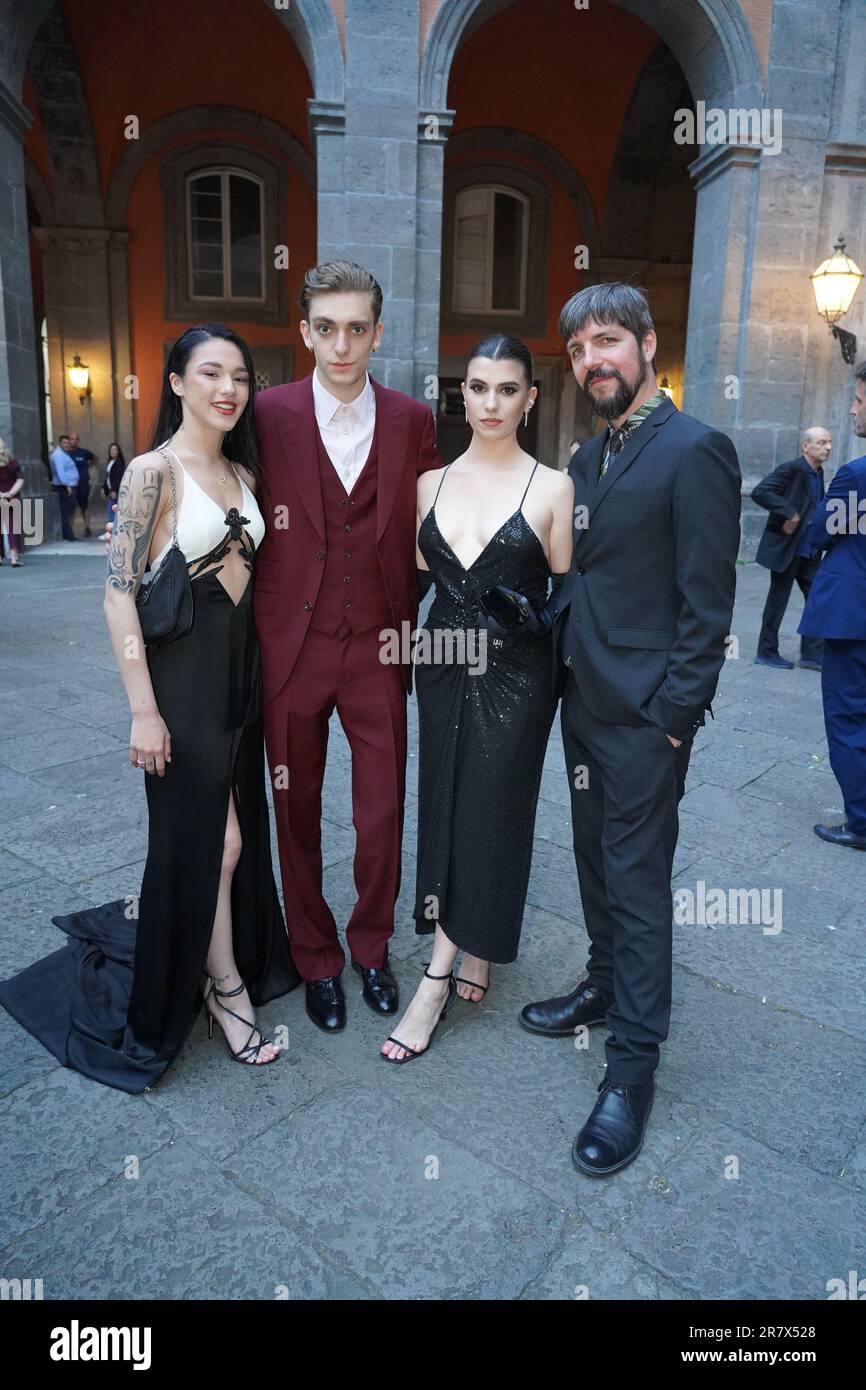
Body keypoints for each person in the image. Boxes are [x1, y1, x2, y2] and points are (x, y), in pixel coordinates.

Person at [0, 324, 300, 1091]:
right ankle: (224, 986)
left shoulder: (244, 473)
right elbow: (116, 594)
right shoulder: (152, 474)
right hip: (182, 686)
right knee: (215, 844)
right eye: (210, 373)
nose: (228, 388)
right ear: (175, 383)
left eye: (239, 376)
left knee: (228, 839)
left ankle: (211, 965)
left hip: (241, 686)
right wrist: (143, 710)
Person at [521, 283, 741, 1176]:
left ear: (647, 344)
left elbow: (707, 607)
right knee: (592, 862)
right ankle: (605, 986)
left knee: (640, 885)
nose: (591, 361)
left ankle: (632, 1071)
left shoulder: (698, 450)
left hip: (646, 721)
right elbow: (587, 574)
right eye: (578, 350)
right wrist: (537, 616)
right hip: (584, 702)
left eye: (606, 341)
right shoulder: (586, 453)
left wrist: (673, 724)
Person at [253, 261, 441, 1033]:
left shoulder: (412, 419)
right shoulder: (265, 414)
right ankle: (314, 954)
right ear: (304, 331)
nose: (341, 345)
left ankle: (371, 945)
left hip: (381, 645)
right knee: (293, 809)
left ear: (378, 333)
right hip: (289, 648)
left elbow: (435, 522)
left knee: (382, 811)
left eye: (356, 329)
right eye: (325, 328)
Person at [379, 335, 573, 1063]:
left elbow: (566, 592)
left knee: (492, 805)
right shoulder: (428, 484)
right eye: (479, 388)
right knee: (445, 798)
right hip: (440, 661)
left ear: (529, 397)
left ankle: (434, 977)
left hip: (518, 674)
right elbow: (418, 578)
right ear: (462, 394)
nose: (491, 403)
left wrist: (531, 618)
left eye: (507, 389)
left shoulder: (553, 487)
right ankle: (478, 943)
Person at [798, 363, 866, 851]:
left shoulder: (856, 475)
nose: (853, 408)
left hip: (853, 616)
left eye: (860, 401)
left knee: (847, 716)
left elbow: (819, 532)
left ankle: (861, 821)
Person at [752, 427, 831, 670]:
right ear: (806, 446)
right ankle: (766, 652)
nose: (827, 447)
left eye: (829, 443)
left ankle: (811, 655)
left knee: (818, 600)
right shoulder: (792, 469)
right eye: (821, 443)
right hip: (788, 549)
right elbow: (761, 491)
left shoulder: (819, 472)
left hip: (810, 551)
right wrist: (790, 513)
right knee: (778, 602)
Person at [49, 433, 78, 540]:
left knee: (69, 511)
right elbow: (60, 472)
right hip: (65, 487)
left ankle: (68, 533)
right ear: (60, 443)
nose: (66, 445)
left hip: (67, 486)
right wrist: (67, 485)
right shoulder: (58, 455)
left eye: (68, 443)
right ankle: (67, 534)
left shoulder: (63, 454)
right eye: (64, 443)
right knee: (66, 511)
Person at [0, 438, 24, 566]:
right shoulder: (13, 463)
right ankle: (14, 558)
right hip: (12, 499)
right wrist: (10, 494)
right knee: (13, 527)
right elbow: (20, 480)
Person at [68, 431, 96, 537]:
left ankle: (87, 527)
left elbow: (95, 459)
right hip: (71, 485)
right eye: (72, 439)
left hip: (83, 484)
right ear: (69, 440)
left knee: (85, 506)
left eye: (76, 439)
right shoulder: (66, 454)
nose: (74, 441)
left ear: (78, 441)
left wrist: (88, 466)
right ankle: (70, 529)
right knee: (72, 507)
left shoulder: (84, 452)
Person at [102, 441, 127, 527]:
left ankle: (114, 531)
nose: (113, 451)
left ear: (118, 452)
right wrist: (104, 488)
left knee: (113, 511)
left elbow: (118, 477)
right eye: (111, 449)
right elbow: (108, 477)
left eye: (115, 450)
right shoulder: (110, 461)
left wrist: (114, 490)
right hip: (110, 490)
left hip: (116, 491)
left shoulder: (119, 462)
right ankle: (113, 530)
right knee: (111, 511)